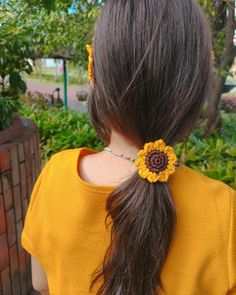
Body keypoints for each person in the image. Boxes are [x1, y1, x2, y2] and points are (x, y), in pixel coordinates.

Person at [21, 0, 236, 294]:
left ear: (95, 73)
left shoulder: (55, 175)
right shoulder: (223, 211)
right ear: (195, 89)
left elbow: (40, 283)